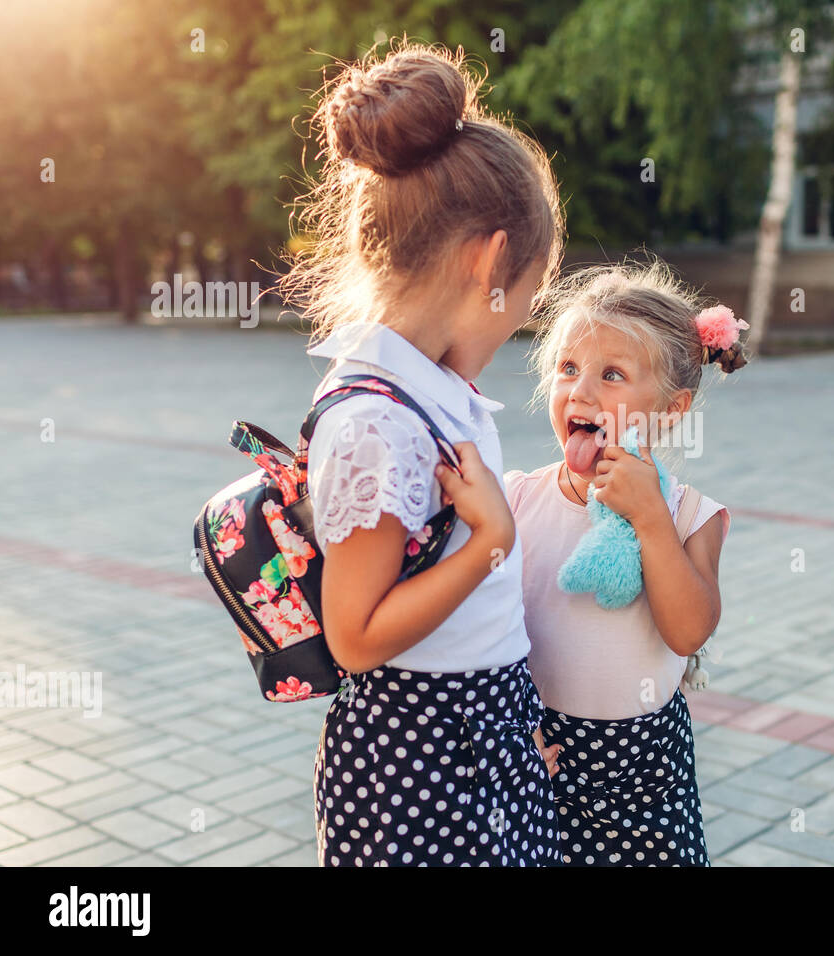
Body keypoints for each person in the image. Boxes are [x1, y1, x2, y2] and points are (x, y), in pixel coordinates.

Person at [282, 42, 565, 866]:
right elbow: (358, 637)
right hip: (423, 766)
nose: (521, 321)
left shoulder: (435, 393)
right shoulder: (377, 424)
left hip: (480, 739)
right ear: (486, 261)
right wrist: (488, 543)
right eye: (529, 295)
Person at [505, 261, 746, 866]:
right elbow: (488, 629)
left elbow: (689, 629)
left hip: (644, 778)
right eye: (567, 369)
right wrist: (512, 730)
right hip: (538, 759)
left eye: (611, 374)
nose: (581, 392)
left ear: (671, 408)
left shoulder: (691, 515)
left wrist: (649, 520)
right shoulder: (515, 500)